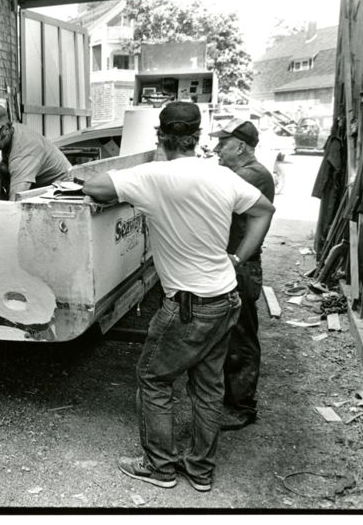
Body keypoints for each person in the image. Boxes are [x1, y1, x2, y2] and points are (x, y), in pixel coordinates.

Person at [82, 102, 275, 492]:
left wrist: (143, 171)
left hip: (187, 306)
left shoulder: (153, 176)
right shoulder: (222, 176)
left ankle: (160, 468)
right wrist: (239, 257)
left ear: (161, 136)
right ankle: (200, 472)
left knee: (154, 379)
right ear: (198, 137)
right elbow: (264, 210)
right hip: (225, 298)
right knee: (207, 388)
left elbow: (93, 187)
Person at [210, 119, 275, 431]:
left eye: (223, 144)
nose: (218, 149)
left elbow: (215, 190)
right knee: (231, 334)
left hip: (241, 266)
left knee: (241, 338)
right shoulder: (241, 173)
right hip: (235, 264)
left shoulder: (252, 175)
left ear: (241, 146)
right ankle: (232, 400)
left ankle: (241, 407)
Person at [0, 105, 72, 201]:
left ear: (5, 129)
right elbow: (9, 161)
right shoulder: (13, 131)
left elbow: (16, 203)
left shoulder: (24, 152)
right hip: (43, 186)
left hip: (63, 192)